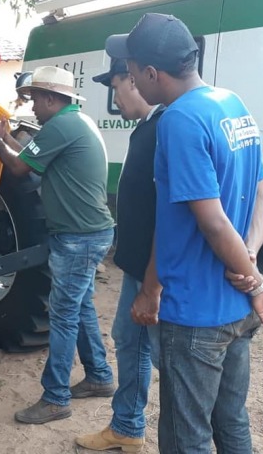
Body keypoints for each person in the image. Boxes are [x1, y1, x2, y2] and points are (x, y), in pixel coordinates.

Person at [106, 13, 263, 453]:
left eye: (131, 74)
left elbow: (210, 221)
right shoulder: (232, 103)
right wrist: (249, 261)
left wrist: (257, 280)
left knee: (185, 437)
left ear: (152, 74)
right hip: (234, 307)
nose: (130, 82)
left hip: (194, 314)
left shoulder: (179, 120)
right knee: (231, 422)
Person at [0, 66, 116, 424]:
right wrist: (7, 136)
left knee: (63, 315)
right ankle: (99, 376)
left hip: (78, 237)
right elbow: (31, 159)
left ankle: (55, 398)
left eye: (35, 99)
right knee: (80, 306)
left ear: (53, 99)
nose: (32, 106)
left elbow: (20, 169)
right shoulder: (76, 123)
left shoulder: (60, 127)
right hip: (92, 233)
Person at [75, 58, 163, 452]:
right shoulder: (146, 128)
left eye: (115, 87)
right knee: (130, 341)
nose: (114, 97)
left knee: (158, 350)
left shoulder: (163, 128)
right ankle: (127, 424)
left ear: (135, 77)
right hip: (137, 265)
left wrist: (151, 283)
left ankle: (135, 425)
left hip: (151, 270)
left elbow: (171, 212)